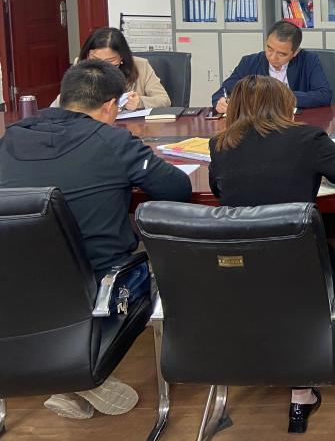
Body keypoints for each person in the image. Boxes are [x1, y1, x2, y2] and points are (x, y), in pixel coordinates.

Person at [0, 59, 192, 420]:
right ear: (109, 106)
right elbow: (177, 189)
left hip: (14, 287)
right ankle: (79, 374)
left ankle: (62, 374)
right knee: (157, 262)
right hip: (100, 287)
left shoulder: (11, 138)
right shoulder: (114, 140)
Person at [208, 75, 335, 434]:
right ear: (284, 105)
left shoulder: (219, 145)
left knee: (319, 250)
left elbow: (222, 192)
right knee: (331, 250)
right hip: (301, 274)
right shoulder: (307, 138)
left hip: (238, 272)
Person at [212, 21, 331, 113]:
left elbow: (324, 95)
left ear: (295, 52)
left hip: (296, 124)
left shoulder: (308, 61)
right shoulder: (249, 62)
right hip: (258, 126)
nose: (273, 57)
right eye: (269, 49)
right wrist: (220, 101)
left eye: (281, 54)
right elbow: (222, 92)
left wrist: (278, 96)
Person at [51, 27, 171, 110]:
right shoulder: (81, 65)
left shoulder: (141, 65)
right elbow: (57, 105)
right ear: (87, 55)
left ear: (122, 57)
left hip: (130, 128)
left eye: (109, 61)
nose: (101, 65)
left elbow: (164, 100)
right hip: (91, 127)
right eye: (95, 59)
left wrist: (140, 102)